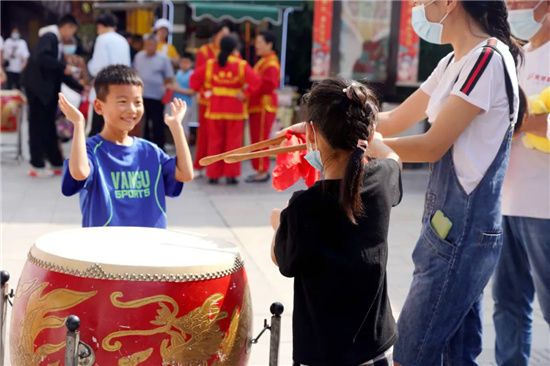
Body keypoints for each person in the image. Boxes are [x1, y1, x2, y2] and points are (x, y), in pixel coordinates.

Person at [372, 1, 525, 364]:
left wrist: (354, 148)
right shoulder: (455, 60)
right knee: (457, 354)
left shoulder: (486, 59)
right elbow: (393, 121)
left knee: (411, 354)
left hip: (463, 234)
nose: (421, 7)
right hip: (447, 230)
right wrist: (328, 126)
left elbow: (431, 145)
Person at [271, 79, 402, 365]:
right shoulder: (383, 179)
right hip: (375, 348)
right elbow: (392, 157)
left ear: (312, 133)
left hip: (323, 353)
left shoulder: (303, 207)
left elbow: (283, 261)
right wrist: (368, 137)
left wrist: (279, 224)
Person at [59, 65, 193, 228]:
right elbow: (80, 173)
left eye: (137, 102)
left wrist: (176, 127)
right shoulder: (90, 150)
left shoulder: (150, 151)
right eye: (122, 102)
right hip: (104, 248)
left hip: (148, 247)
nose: (132, 110)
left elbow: (185, 174)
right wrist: (79, 124)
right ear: (99, 106)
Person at [492, 1, 550, 365]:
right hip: (504, 202)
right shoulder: (515, 56)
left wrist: (524, 121)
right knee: (508, 304)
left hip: (544, 206)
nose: (511, 4)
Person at [190, 35, 259, 185]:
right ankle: (230, 175)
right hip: (235, 110)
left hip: (214, 109)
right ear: (235, 49)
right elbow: (256, 82)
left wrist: (206, 95)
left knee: (214, 143)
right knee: (233, 144)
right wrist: (245, 94)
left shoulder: (211, 64)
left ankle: (213, 175)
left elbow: (194, 81)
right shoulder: (241, 65)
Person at [22, 14, 84, 177]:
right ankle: (36, 164)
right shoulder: (49, 37)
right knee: (37, 127)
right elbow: (43, 58)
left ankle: (56, 162)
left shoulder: (55, 41)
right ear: (67, 27)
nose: (71, 36)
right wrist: (64, 67)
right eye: (72, 31)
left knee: (49, 127)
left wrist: (79, 87)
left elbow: (59, 72)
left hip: (47, 94)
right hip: (39, 92)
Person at [192, 22, 231, 175]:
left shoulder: (231, 53)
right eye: (223, 34)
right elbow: (197, 77)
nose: (226, 38)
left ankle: (220, 167)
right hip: (208, 100)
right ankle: (200, 165)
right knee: (205, 134)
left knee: (224, 137)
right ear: (215, 35)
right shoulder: (205, 51)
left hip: (226, 102)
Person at [87, 12, 132, 136]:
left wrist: (90, 66)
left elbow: (98, 65)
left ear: (100, 26)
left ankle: (89, 155)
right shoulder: (123, 40)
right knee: (117, 129)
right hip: (121, 89)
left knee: (94, 129)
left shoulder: (102, 39)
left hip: (104, 88)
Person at [246, 30, 280, 183]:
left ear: (269, 44)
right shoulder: (263, 61)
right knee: (257, 139)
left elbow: (267, 85)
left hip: (263, 106)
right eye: (257, 42)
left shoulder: (270, 63)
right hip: (258, 105)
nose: (257, 45)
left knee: (260, 139)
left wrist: (249, 91)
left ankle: (262, 170)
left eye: (260, 42)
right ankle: (259, 169)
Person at [133, 34, 174, 150]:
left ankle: (160, 147)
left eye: (152, 44)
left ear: (156, 45)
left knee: (157, 122)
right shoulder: (139, 56)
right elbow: (135, 73)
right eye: (148, 44)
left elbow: (168, 77)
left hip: (157, 96)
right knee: (142, 121)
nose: (150, 46)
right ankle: (144, 145)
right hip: (141, 95)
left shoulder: (163, 59)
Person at [168, 52, 196, 136]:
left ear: (192, 63)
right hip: (175, 103)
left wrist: (177, 89)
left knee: (184, 128)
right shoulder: (178, 73)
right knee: (176, 126)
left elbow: (192, 91)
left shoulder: (192, 74)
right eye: (182, 62)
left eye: (186, 62)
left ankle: (185, 148)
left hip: (185, 104)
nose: (184, 64)